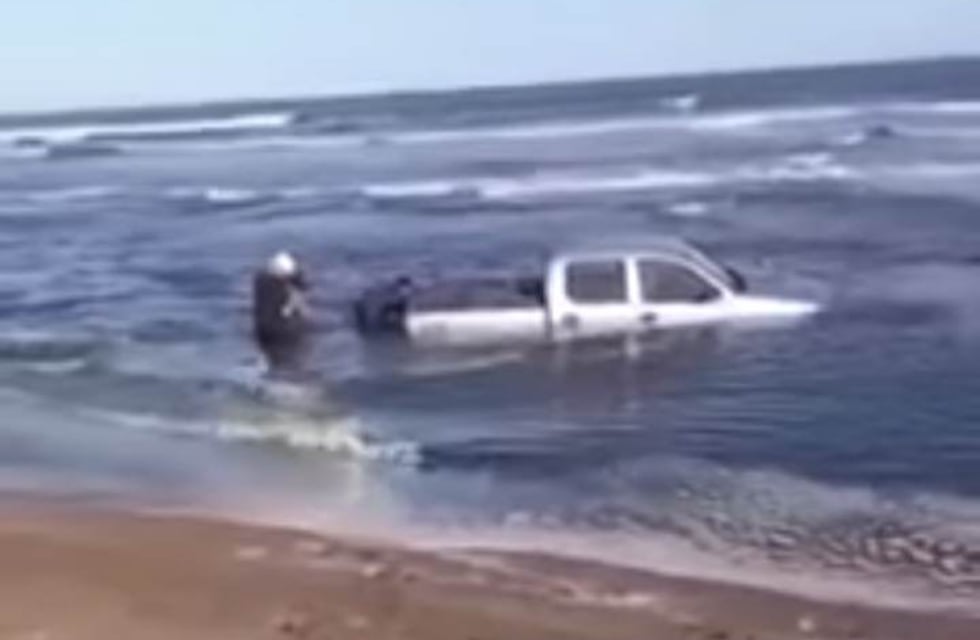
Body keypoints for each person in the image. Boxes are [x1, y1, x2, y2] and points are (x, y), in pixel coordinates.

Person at [252, 251, 313, 374]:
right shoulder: (269, 289)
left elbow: (300, 283)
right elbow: (267, 324)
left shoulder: (265, 279)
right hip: (274, 334)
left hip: (277, 328)